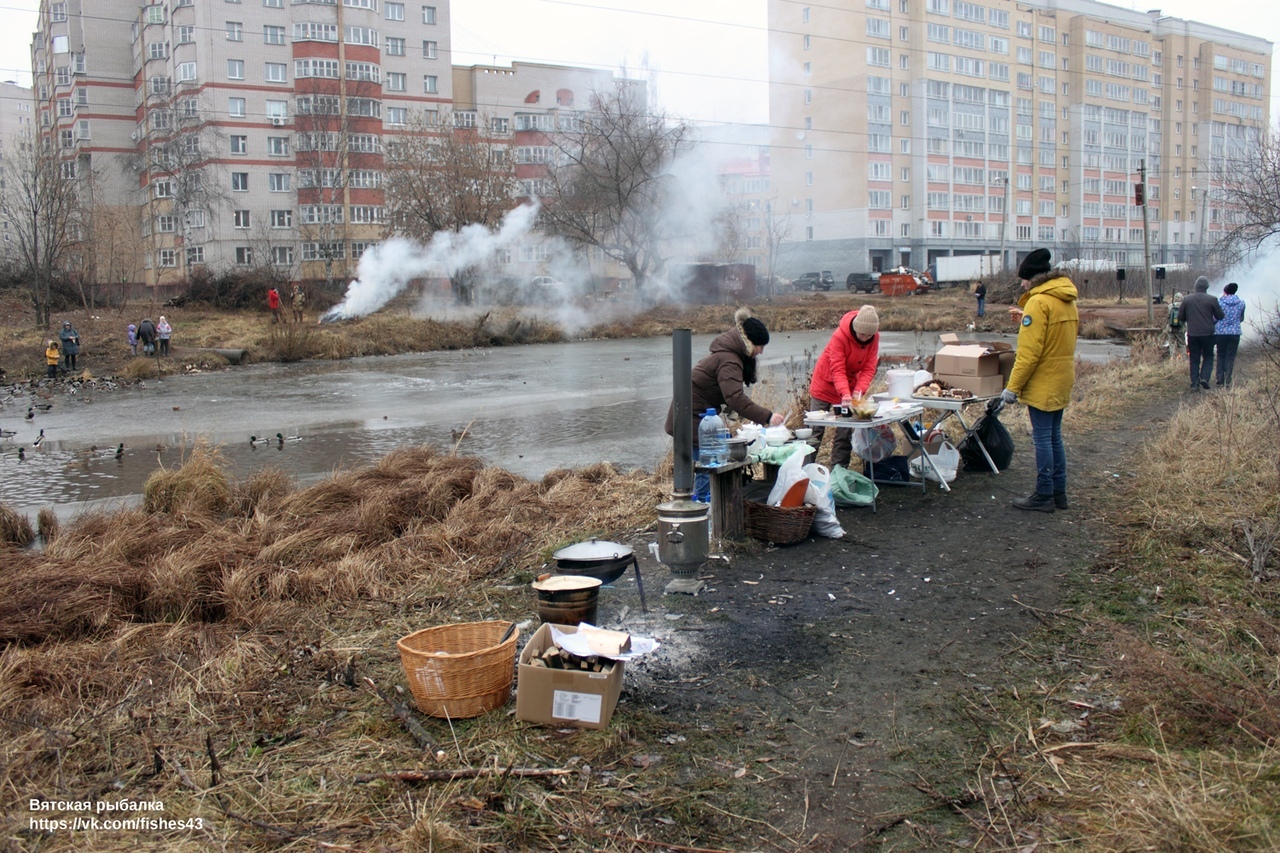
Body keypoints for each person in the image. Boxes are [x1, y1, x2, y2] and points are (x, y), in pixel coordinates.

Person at [663, 308, 784, 501]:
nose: (761, 351)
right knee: (708, 466)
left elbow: (724, 394)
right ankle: (704, 508)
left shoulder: (729, 354)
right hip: (692, 418)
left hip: (698, 416)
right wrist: (768, 417)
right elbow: (734, 397)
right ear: (749, 342)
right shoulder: (729, 360)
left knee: (706, 465)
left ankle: (704, 506)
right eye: (760, 346)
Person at [1000, 247, 1079, 513]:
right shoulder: (1066, 299)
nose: (1022, 284)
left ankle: (1043, 493)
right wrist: (1025, 321)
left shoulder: (1038, 301)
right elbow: (1055, 338)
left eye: (1024, 279)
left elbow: (1029, 354)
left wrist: (1012, 387)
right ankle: (1059, 493)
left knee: (1042, 438)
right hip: (1062, 376)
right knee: (1055, 436)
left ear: (1034, 278)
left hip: (1043, 380)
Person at [808, 305, 881, 470]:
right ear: (855, 328)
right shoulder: (839, 336)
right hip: (825, 384)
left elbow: (869, 368)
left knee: (845, 433)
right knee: (815, 431)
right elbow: (837, 368)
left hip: (849, 384)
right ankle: (805, 472)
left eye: (869, 335)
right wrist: (845, 395)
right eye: (862, 334)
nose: (865, 338)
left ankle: (838, 473)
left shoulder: (875, 338)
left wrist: (857, 392)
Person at [1177, 276, 1223, 391]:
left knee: (1194, 359)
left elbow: (1180, 317)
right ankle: (1204, 378)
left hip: (1193, 334)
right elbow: (1220, 316)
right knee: (1208, 356)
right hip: (1208, 334)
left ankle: (1194, 384)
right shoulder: (1212, 299)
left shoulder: (1187, 299)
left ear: (1195, 286)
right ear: (1207, 287)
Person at [1214, 282, 1245, 387]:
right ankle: (1228, 378)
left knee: (1220, 355)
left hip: (1220, 333)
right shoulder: (1241, 303)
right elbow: (1241, 318)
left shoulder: (1219, 303)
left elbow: (1214, 318)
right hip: (1235, 333)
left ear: (1225, 292)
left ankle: (1219, 378)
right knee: (1230, 356)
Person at [1165, 292, 1185, 359]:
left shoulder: (1170, 306)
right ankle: (1183, 359)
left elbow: (1167, 317)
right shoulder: (1184, 306)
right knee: (1182, 344)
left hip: (1171, 329)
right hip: (1181, 329)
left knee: (1172, 344)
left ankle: (1172, 359)